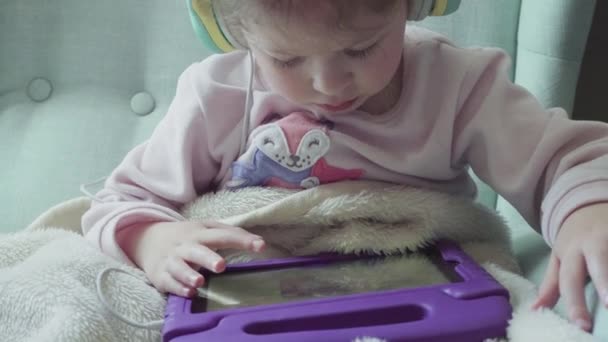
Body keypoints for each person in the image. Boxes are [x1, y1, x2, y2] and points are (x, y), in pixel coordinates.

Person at [82, 0, 608, 332]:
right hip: (254, 296)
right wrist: (152, 241)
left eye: (362, 47)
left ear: (412, 7)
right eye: (286, 60)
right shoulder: (215, 95)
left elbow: (561, 159)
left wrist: (586, 210)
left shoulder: (459, 85)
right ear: (238, 37)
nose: (330, 84)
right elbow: (123, 202)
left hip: (411, 285)